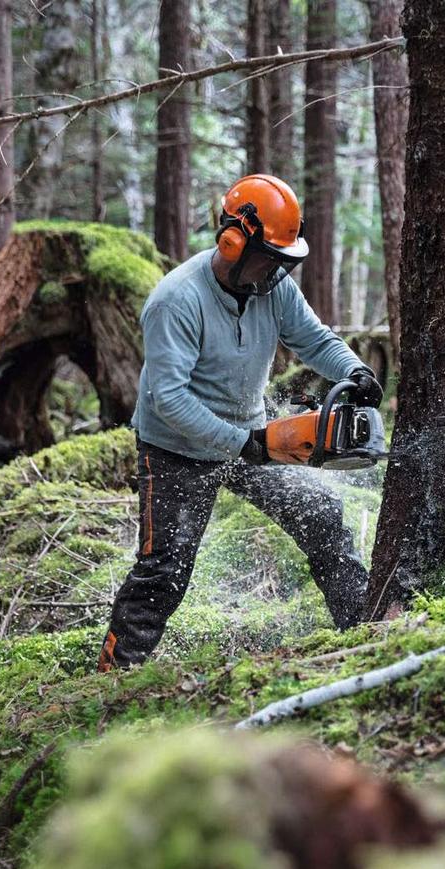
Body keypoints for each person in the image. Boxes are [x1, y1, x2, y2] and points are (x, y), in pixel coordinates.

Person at [96, 173, 383, 672]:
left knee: (320, 516)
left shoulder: (272, 285)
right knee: (164, 569)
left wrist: (353, 370)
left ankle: (363, 629)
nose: (277, 270)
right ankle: (113, 671)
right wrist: (243, 444)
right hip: (174, 448)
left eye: (283, 259)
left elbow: (314, 340)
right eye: (270, 256)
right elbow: (168, 400)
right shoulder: (176, 300)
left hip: (251, 435)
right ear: (233, 241)